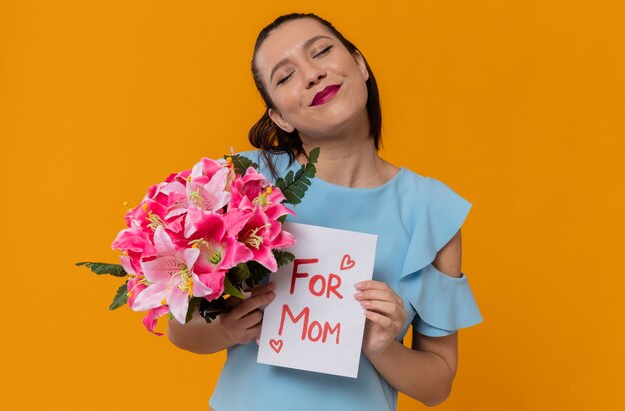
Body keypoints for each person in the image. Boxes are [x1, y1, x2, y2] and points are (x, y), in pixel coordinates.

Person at [167, 12, 483, 411]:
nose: (312, 74)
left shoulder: (432, 212)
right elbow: (180, 330)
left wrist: (382, 347)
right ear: (278, 116)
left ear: (360, 63)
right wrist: (229, 329)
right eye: (285, 77)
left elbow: (437, 385)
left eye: (321, 52)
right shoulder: (241, 184)